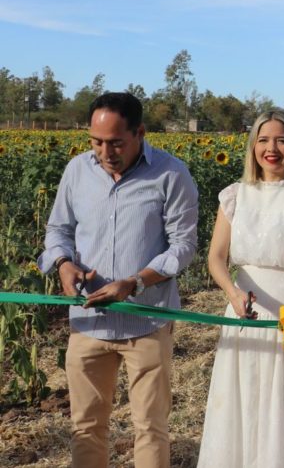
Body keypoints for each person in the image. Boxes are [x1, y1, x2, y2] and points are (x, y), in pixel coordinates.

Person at [37, 92, 198, 468]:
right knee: (87, 426)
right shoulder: (78, 170)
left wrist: (135, 282)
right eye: (96, 142)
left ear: (140, 132)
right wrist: (62, 263)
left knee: (150, 427)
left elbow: (183, 246)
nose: (104, 152)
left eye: (115, 142)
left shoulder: (171, 175)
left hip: (147, 321)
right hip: (88, 324)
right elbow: (58, 229)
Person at [197, 109, 284, 468]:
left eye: (282, 140)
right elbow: (216, 258)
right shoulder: (234, 196)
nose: (272, 148)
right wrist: (232, 294)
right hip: (243, 309)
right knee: (244, 399)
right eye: (265, 139)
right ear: (253, 145)